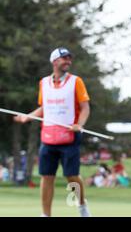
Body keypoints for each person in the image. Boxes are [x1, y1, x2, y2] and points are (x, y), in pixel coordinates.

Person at [14, 47, 91, 217]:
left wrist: (79, 124)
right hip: (48, 137)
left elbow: (85, 107)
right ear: (54, 61)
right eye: (65, 59)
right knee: (46, 176)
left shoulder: (75, 81)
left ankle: (82, 205)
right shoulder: (44, 83)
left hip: (70, 136)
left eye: (69, 59)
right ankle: (46, 214)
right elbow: (44, 107)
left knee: (71, 176)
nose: (68, 62)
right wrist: (28, 117)